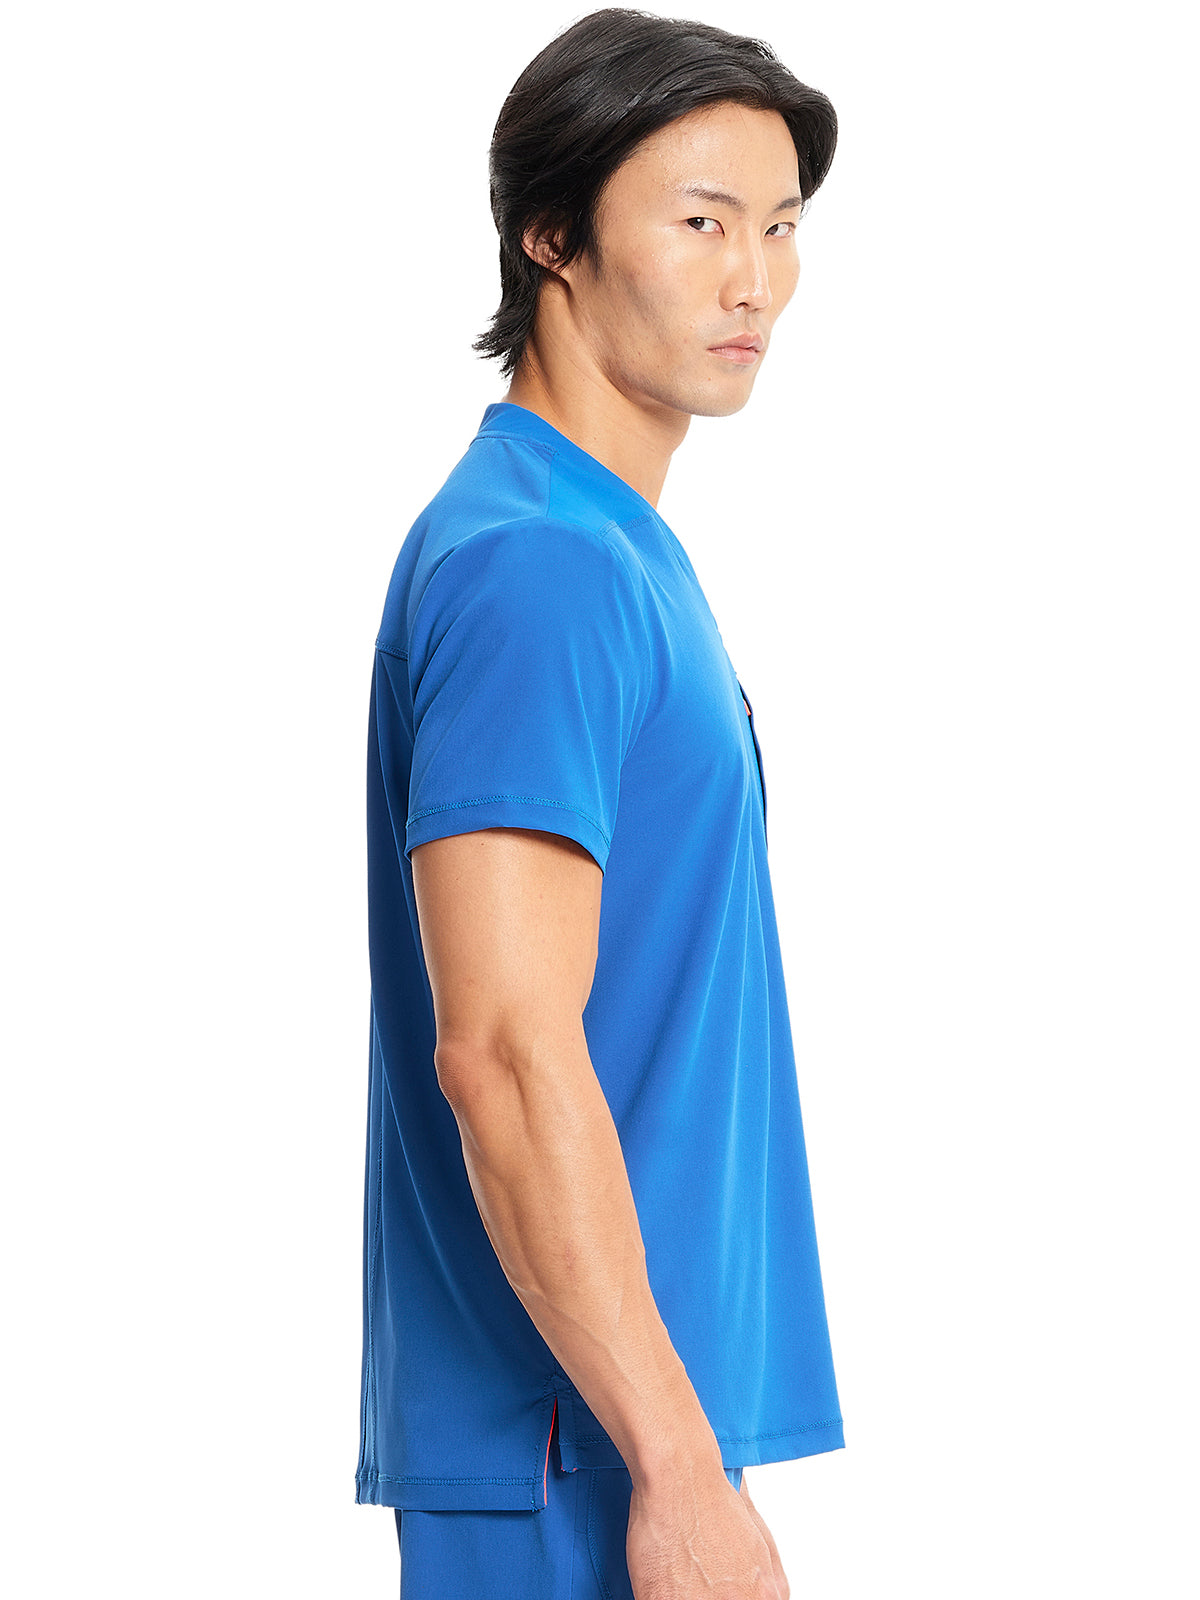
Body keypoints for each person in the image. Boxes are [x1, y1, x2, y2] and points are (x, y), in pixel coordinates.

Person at [355, 9, 843, 1597]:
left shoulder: (608, 545)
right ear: (549, 236)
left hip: (624, 1419)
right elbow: (501, 1049)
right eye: (702, 223)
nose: (753, 280)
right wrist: (676, 1472)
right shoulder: (542, 567)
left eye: (781, 227)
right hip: (587, 1445)